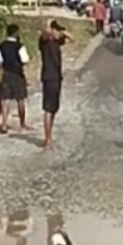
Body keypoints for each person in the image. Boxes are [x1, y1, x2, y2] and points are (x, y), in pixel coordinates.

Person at [38, 19, 73, 150]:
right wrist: (49, 25)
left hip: (57, 78)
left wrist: (61, 30)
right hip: (48, 77)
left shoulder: (56, 42)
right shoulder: (44, 42)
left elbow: (72, 38)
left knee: (53, 109)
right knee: (48, 109)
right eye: (56, 30)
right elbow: (44, 33)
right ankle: (47, 139)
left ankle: (49, 135)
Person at [0, 23, 31, 132]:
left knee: (5, 100)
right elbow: (25, 59)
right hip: (17, 74)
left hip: (6, 73)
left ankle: (3, 124)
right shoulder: (19, 46)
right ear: (16, 33)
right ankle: (22, 124)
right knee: (20, 99)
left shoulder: (1, 45)